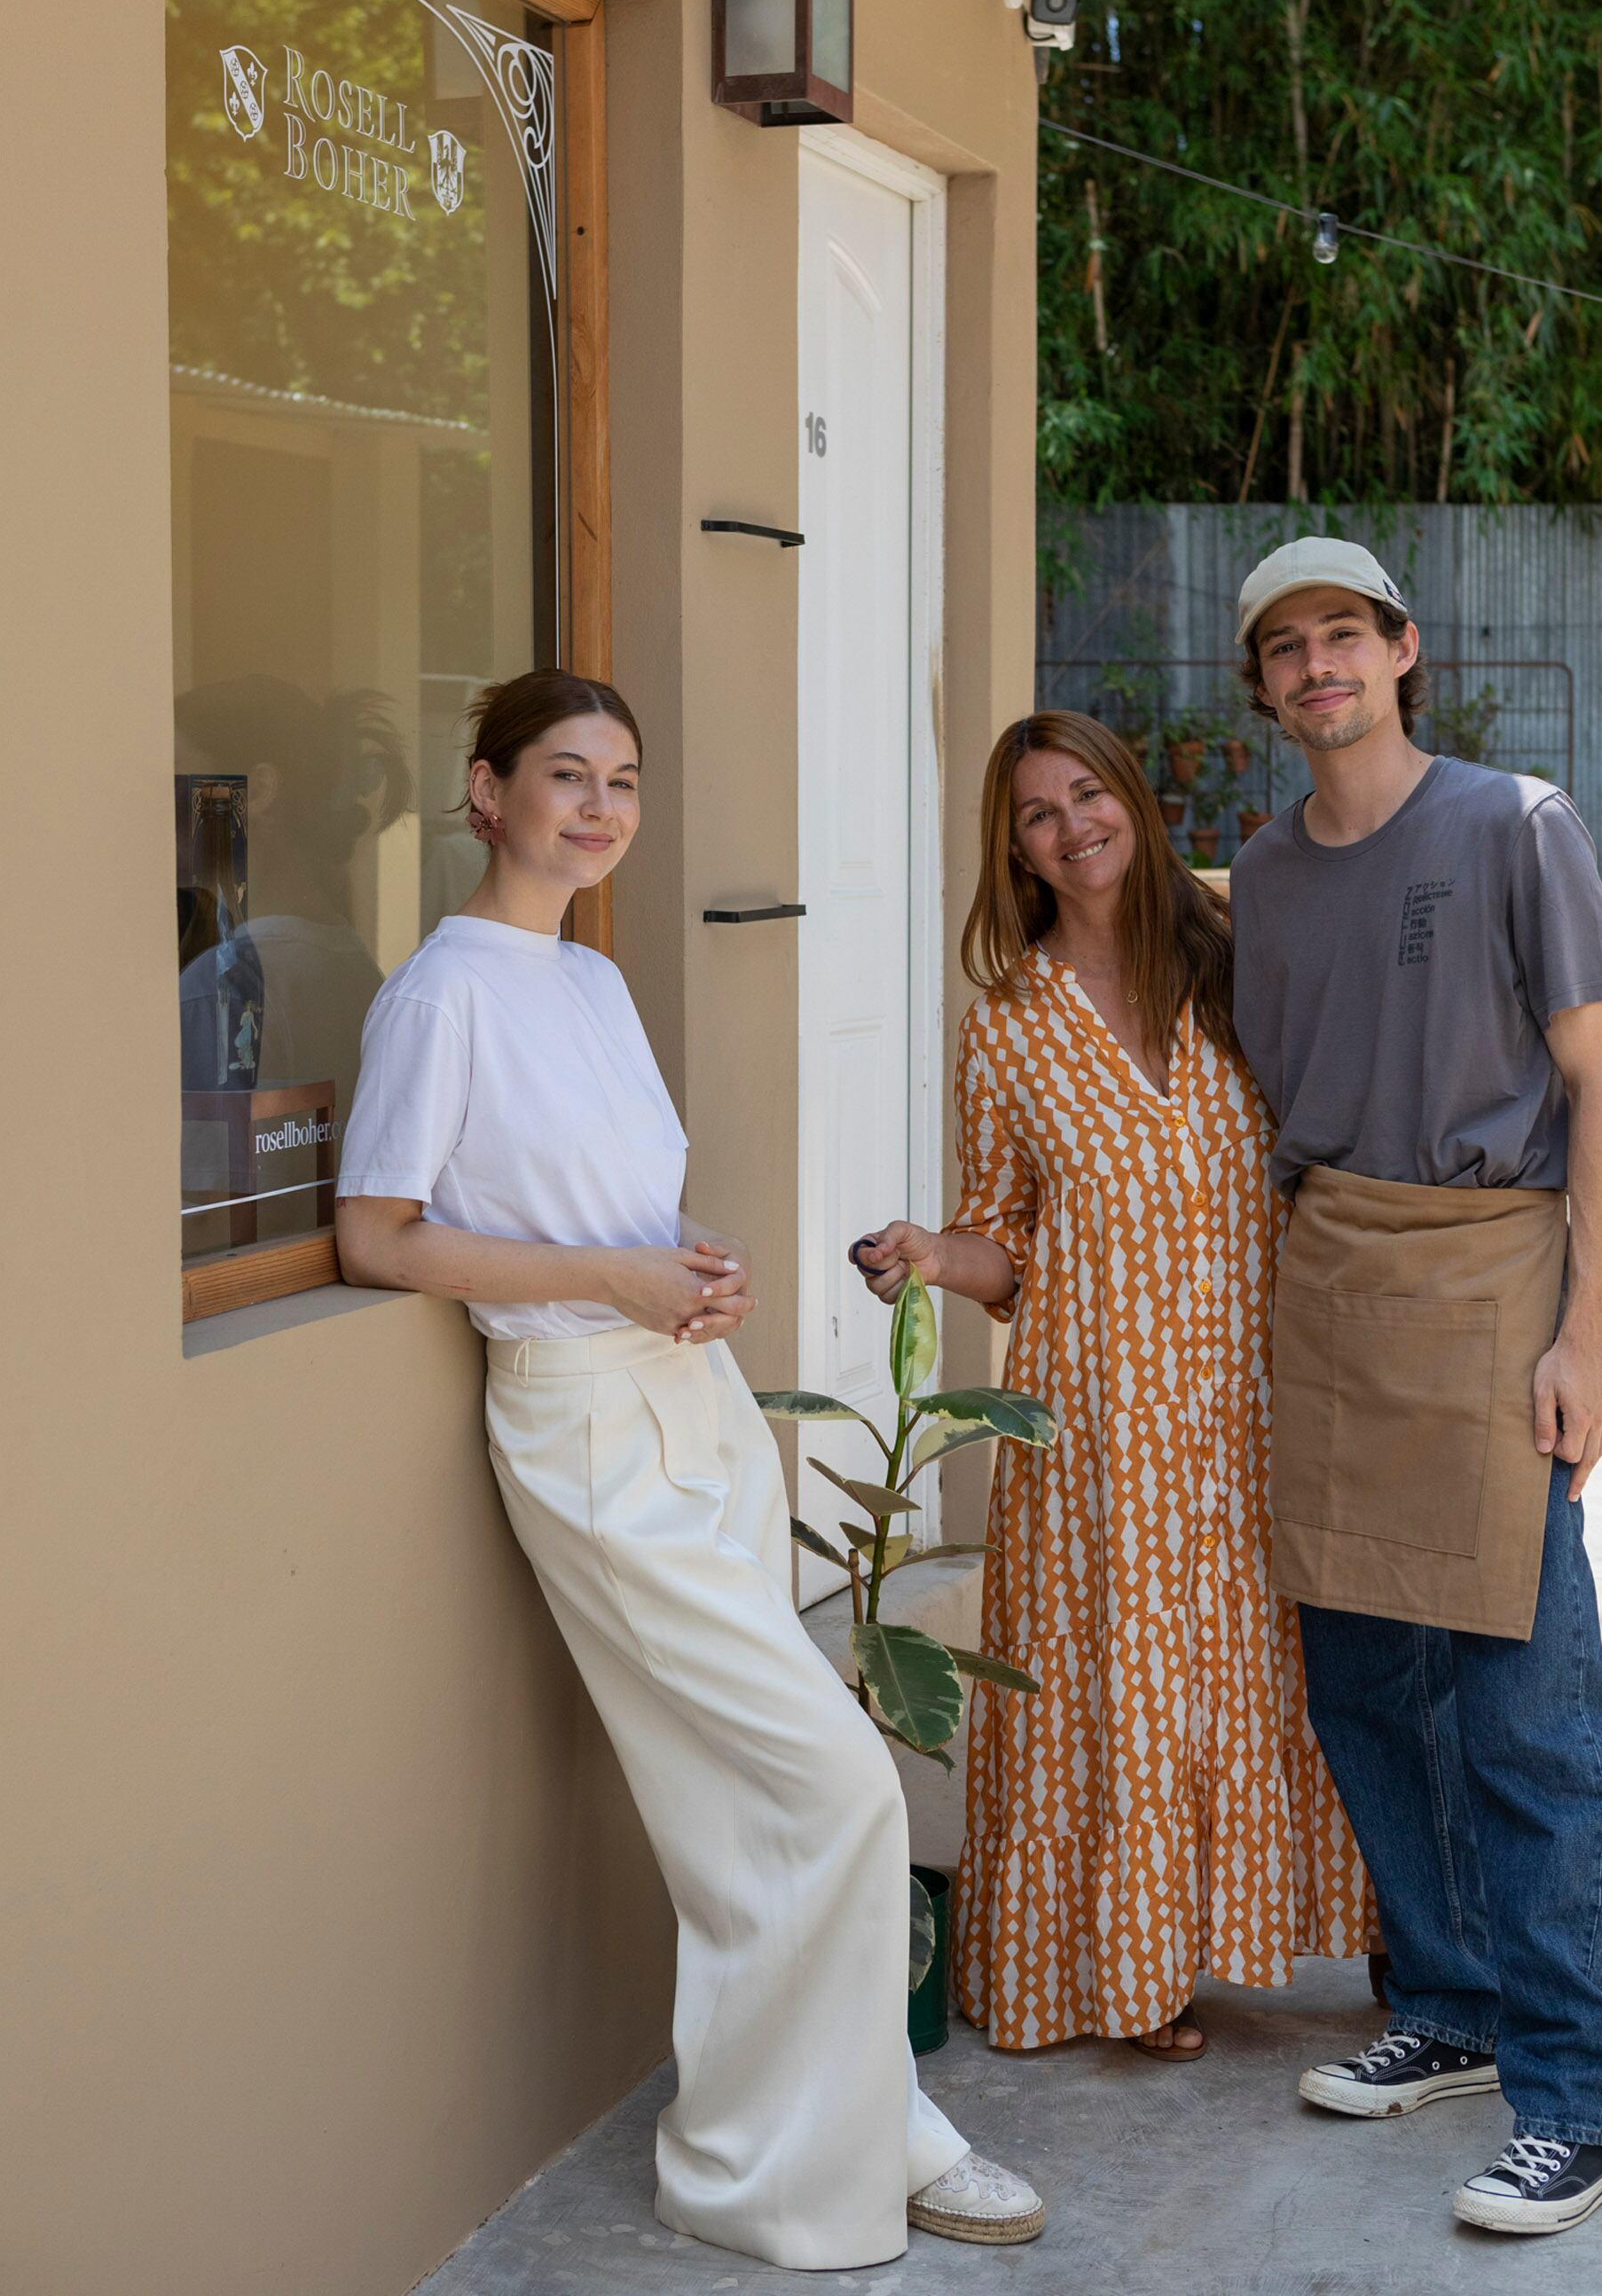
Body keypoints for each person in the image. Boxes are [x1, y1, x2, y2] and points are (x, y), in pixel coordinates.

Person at [334, 667, 1043, 2266]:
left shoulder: (587, 983)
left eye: (624, 782)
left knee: (743, 1823)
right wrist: (616, 1285)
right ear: (486, 792)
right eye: (566, 775)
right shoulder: (442, 992)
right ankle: (768, 2168)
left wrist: (682, 1261)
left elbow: (596, 1208)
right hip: (582, 1424)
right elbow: (379, 1235)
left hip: (687, 1394)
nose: (598, 808)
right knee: (840, 1785)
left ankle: (875, 2125)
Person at [1229, 537, 1602, 2239]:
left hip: (1489, 1281)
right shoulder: (1260, 872)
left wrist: (1590, 1331)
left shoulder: (1514, 824)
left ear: (1406, 651)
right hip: (1328, 1281)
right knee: (1363, 1686)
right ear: (1263, 690)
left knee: (1525, 1712)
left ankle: (1579, 2093)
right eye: (1284, 648)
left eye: (1345, 635)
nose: (1318, 666)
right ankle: (1455, 2006)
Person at [855, 710, 1377, 2060]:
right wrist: (927, 1255)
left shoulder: (1232, 960)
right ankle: (1130, 1971)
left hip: (1255, 1397)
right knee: (1122, 1688)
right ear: (1014, 850)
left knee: (1265, 1670)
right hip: (1097, 1418)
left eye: (1088, 793)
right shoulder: (1009, 1030)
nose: (1070, 824)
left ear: (1132, 803)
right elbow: (1007, 1244)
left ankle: (1330, 1934)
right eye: (1037, 812)